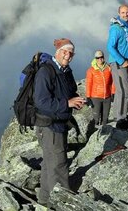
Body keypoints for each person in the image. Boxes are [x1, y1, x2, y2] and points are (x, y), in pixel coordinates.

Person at [33, 38, 85, 205]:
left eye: (71, 53)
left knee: (49, 165)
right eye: (65, 51)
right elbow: (41, 101)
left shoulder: (65, 71)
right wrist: (66, 104)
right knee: (59, 165)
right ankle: (63, 204)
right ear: (57, 52)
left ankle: (44, 202)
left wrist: (74, 100)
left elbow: (68, 92)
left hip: (57, 124)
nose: (68, 55)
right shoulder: (46, 71)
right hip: (49, 126)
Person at [107, 4, 128, 130]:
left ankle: (119, 116)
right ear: (119, 13)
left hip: (127, 61)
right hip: (118, 62)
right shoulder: (116, 28)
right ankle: (120, 118)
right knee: (123, 90)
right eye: (123, 13)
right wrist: (121, 61)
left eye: (127, 12)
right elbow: (110, 47)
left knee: (124, 89)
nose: (126, 15)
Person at [85, 50, 115, 127]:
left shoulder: (109, 68)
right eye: (97, 58)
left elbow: (113, 81)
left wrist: (113, 93)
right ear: (95, 58)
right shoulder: (91, 70)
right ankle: (95, 135)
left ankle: (104, 135)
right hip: (95, 97)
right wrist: (88, 97)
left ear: (104, 57)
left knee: (105, 119)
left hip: (107, 97)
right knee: (96, 118)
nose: (100, 59)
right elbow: (88, 84)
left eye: (101, 57)